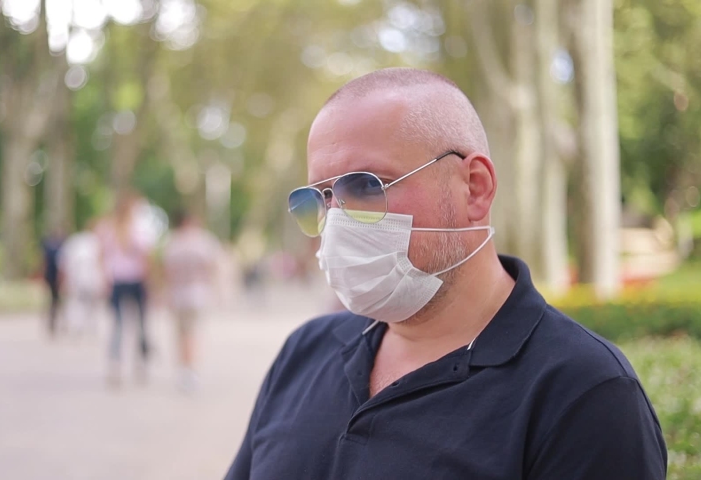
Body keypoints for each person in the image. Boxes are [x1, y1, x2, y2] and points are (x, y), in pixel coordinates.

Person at [225, 68, 667, 479]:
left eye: (364, 186)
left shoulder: (584, 393)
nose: (336, 222)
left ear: (475, 188)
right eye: (319, 199)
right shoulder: (305, 352)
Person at [161, 209, 223, 392]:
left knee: (181, 333)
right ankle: (190, 369)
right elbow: (212, 267)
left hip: (178, 294)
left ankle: (183, 368)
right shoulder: (203, 241)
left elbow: (167, 271)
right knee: (192, 333)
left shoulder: (173, 242)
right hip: (197, 294)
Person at [98, 193, 153, 385]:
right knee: (133, 324)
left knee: (126, 324)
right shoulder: (132, 229)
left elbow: (102, 257)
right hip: (129, 280)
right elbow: (146, 257)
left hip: (123, 280)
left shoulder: (114, 229)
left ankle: (122, 363)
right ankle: (132, 363)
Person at [58, 219, 106, 336]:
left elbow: (63, 262)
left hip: (78, 278)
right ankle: (88, 327)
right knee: (89, 304)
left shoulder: (74, 241)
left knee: (77, 303)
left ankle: (77, 327)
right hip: (88, 278)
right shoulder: (95, 242)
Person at [40, 228, 65, 337]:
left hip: (51, 277)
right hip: (53, 278)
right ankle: (56, 322)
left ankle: (55, 322)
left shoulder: (50, 248)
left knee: (54, 301)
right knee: (55, 300)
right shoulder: (59, 248)